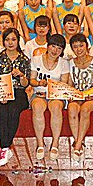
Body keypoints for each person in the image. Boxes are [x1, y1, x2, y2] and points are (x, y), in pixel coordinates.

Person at [29, 34, 71, 162]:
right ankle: (40, 143)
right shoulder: (36, 59)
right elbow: (32, 80)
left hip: (56, 95)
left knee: (56, 107)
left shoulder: (64, 63)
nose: (55, 50)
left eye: (59, 48)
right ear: (48, 46)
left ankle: (55, 143)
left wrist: (52, 90)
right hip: (39, 93)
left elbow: (63, 84)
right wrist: (39, 83)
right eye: (53, 46)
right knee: (37, 107)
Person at [0, 29, 31, 166]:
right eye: (7, 40)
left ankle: (4, 147)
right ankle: (5, 148)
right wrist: (1, 94)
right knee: (2, 111)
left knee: (14, 110)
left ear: (18, 41)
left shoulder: (24, 59)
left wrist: (21, 75)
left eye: (13, 39)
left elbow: (26, 84)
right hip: (1, 92)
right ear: (3, 42)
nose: (10, 43)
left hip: (18, 93)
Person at [67, 33, 93, 157]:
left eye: (81, 45)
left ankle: (77, 145)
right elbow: (70, 84)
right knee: (72, 108)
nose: (79, 49)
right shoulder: (70, 63)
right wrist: (72, 95)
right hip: (78, 96)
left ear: (87, 46)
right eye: (75, 47)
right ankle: (78, 140)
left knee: (85, 109)